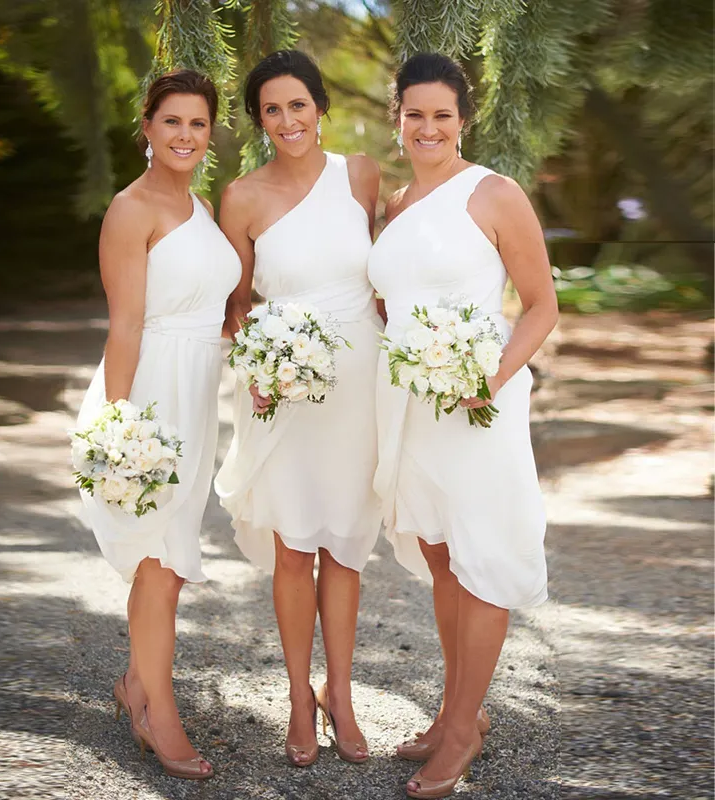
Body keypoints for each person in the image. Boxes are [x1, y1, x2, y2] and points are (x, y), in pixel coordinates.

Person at [368, 52, 558, 799]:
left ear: (462, 120)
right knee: (443, 555)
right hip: (413, 402)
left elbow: (541, 306)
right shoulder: (395, 205)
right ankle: (455, 716)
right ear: (398, 119)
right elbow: (393, 301)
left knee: (479, 561)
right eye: (413, 113)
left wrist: (486, 377)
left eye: (441, 114)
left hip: (478, 402)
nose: (427, 126)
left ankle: (460, 729)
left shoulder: (495, 193)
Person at [214, 50, 383, 767]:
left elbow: (388, 273)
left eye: (299, 105)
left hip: (359, 380)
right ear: (260, 121)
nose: (288, 120)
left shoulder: (362, 175)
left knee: (345, 545)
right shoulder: (242, 197)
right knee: (294, 548)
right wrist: (258, 366)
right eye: (272, 110)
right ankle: (295, 697)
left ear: (322, 108)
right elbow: (235, 305)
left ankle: (338, 693)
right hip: (283, 389)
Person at [75, 69, 240, 781]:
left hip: (200, 391)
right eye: (171, 121)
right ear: (146, 128)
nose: (184, 135)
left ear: (209, 134)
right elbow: (126, 324)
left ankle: (136, 682)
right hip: (151, 393)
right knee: (159, 558)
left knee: (173, 553)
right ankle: (159, 715)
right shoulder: (130, 208)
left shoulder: (202, 206)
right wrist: (119, 427)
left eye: (197, 124)